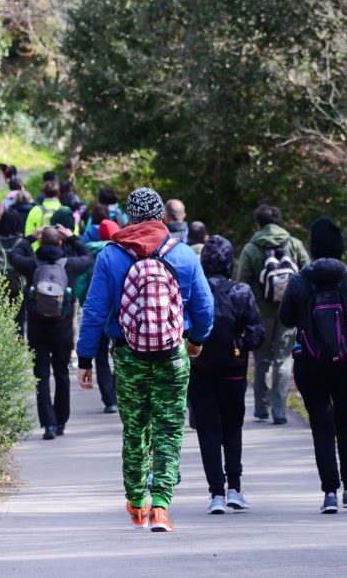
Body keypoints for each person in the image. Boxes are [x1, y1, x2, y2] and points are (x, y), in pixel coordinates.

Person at [76, 188, 213, 533]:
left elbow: (94, 311)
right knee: (169, 428)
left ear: (130, 218)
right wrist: (196, 340)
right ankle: (162, 506)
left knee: (135, 429)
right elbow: (205, 306)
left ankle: (137, 503)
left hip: (128, 354)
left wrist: (85, 358)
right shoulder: (182, 254)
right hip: (172, 353)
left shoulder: (111, 256)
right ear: (162, 217)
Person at [278, 218, 347, 514]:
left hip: (310, 363)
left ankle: (329, 493)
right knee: (346, 421)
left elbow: (285, 319)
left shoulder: (300, 281)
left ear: (312, 247)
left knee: (321, 424)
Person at [190, 235, 265, 515]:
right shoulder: (241, 291)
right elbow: (257, 333)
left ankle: (216, 495)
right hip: (233, 372)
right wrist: (239, 345)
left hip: (199, 368)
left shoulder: (192, 291)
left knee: (208, 432)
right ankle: (235, 488)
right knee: (232, 428)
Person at [12, 225, 93, 441]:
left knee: (41, 376)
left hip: (38, 328)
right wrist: (72, 237)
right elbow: (87, 257)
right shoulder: (70, 265)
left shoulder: (32, 265)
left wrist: (31, 237)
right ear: (60, 242)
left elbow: (14, 255)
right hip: (63, 329)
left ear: (41, 242)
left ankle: (48, 424)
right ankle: (61, 421)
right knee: (62, 374)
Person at [237, 204, 311, 425]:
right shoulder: (294, 244)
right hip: (290, 312)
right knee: (283, 358)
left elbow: (243, 283)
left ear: (258, 225)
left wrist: (245, 315)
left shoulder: (251, 249)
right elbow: (308, 273)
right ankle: (279, 411)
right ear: (279, 223)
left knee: (262, 359)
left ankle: (261, 408)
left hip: (261, 312)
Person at [74, 218, 120, 413]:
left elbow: (81, 286)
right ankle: (120, 391)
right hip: (119, 315)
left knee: (101, 357)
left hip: (100, 314)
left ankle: (109, 400)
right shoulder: (124, 253)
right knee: (120, 353)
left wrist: (84, 358)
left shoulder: (89, 254)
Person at [25, 180, 63, 246]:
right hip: (62, 253)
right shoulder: (65, 210)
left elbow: (29, 234)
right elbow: (73, 234)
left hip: (40, 253)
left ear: (44, 194)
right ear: (59, 194)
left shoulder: (35, 210)